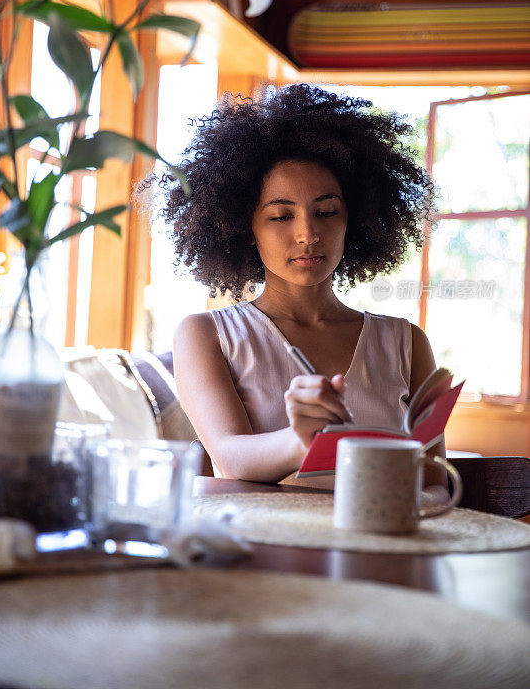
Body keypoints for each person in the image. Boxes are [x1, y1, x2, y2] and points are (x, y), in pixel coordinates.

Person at [152, 83, 448, 504]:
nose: (307, 233)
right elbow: (231, 455)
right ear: (244, 228)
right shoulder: (205, 335)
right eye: (279, 215)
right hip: (267, 553)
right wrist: (299, 440)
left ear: (356, 220)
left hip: (381, 551)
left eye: (327, 211)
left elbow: (436, 479)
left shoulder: (407, 343)